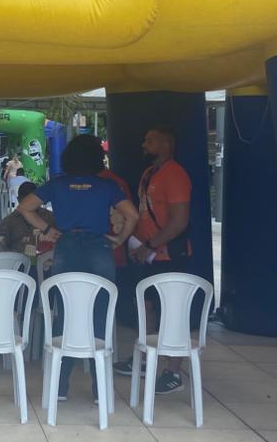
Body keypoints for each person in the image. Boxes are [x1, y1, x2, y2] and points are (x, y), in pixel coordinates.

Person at [17, 134, 138, 402]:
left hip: (67, 247)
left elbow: (25, 208)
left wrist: (48, 230)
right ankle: (99, 389)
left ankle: (60, 387)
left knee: (66, 312)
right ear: (97, 158)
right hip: (99, 249)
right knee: (100, 314)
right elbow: (133, 215)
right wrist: (120, 238)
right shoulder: (107, 186)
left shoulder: (58, 185)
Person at [115, 126, 193, 395]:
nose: (144, 144)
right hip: (145, 253)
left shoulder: (176, 174)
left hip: (168, 255)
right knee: (146, 306)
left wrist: (151, 245)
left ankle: (173, 372)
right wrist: (137, 244)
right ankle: (147, 358)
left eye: (150, 140)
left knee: (172, 311)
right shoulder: (149, 173)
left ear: (166, 144)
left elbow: (179, 221)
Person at [0, 181, 53, 253]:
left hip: (45, 258)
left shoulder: (50, 217)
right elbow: (1, 250)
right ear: (19, 200)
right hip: (18, 259)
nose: (29, 204)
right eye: (26, 200)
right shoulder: (8, 223)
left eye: (31, 200)